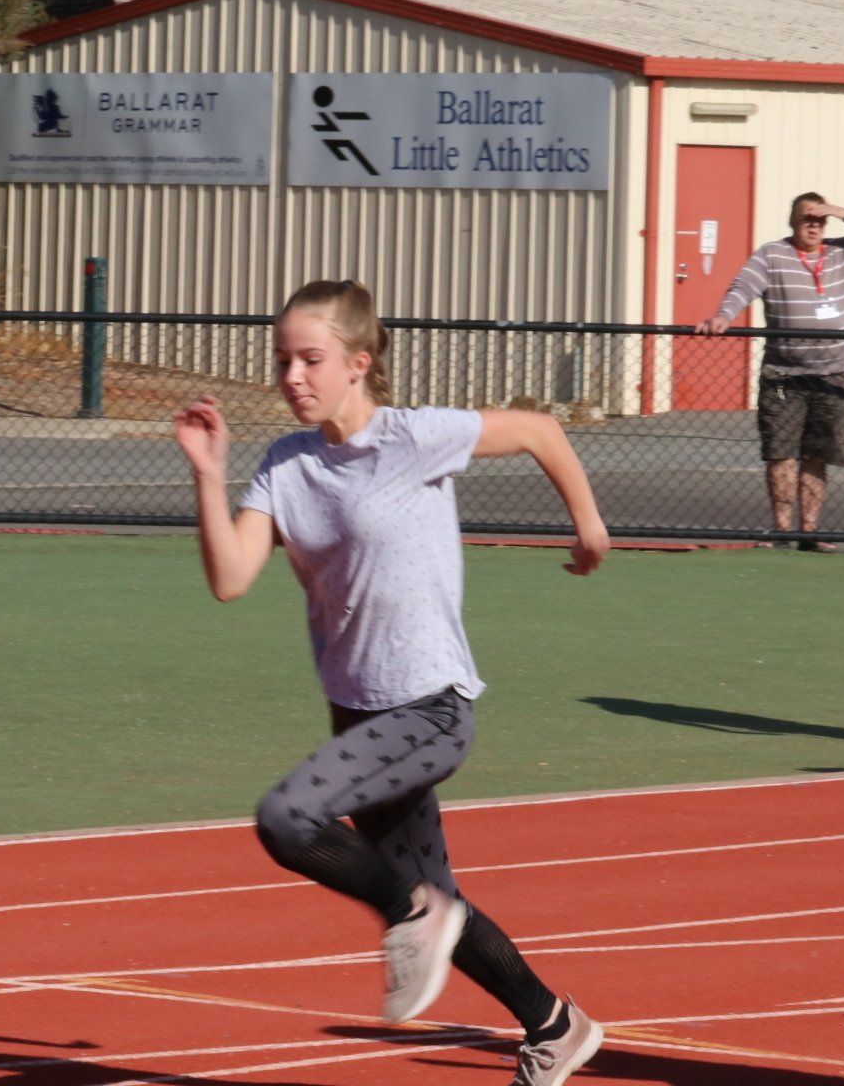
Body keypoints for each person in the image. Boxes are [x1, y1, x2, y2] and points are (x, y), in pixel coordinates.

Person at [174, 279, 611, 1086]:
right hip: (358, 721)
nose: (292, 377)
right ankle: (555, 1023)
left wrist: (587, 522)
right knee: (437, 897)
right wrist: (208, 472)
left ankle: (412, 913)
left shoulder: (416, 437)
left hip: (432, 707)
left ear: (359, 363)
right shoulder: (286, 465)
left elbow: (541, 431)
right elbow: (231, 577)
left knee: (288, 818)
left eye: (311, 359)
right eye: (282, 362)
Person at [694, 193, 844, 550]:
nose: (815, 226)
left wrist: (843, 212)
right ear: (793, 222)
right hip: (784, 375)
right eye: (807, 219)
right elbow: (743, 287)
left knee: (818, 456)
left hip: (833, 375)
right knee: (781, 454)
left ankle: (809, 531)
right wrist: (724, 315)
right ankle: (782, 529)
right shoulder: (772, 255)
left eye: (821, 220)